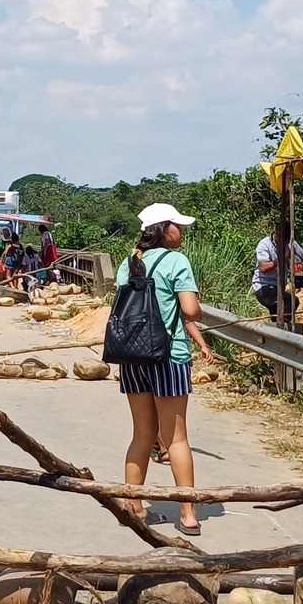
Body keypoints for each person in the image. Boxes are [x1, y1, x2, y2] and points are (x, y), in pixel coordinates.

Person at [119, 202, 210, 536]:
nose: (181, 231)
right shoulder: (177, 261)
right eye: (177, 225)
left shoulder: (130, 263)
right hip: (168, 355)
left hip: (132, 356)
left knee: (142, 434)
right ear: (163, 229)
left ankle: (135, 506)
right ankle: (187, 513)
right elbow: (191, 311)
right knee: (176, 438)